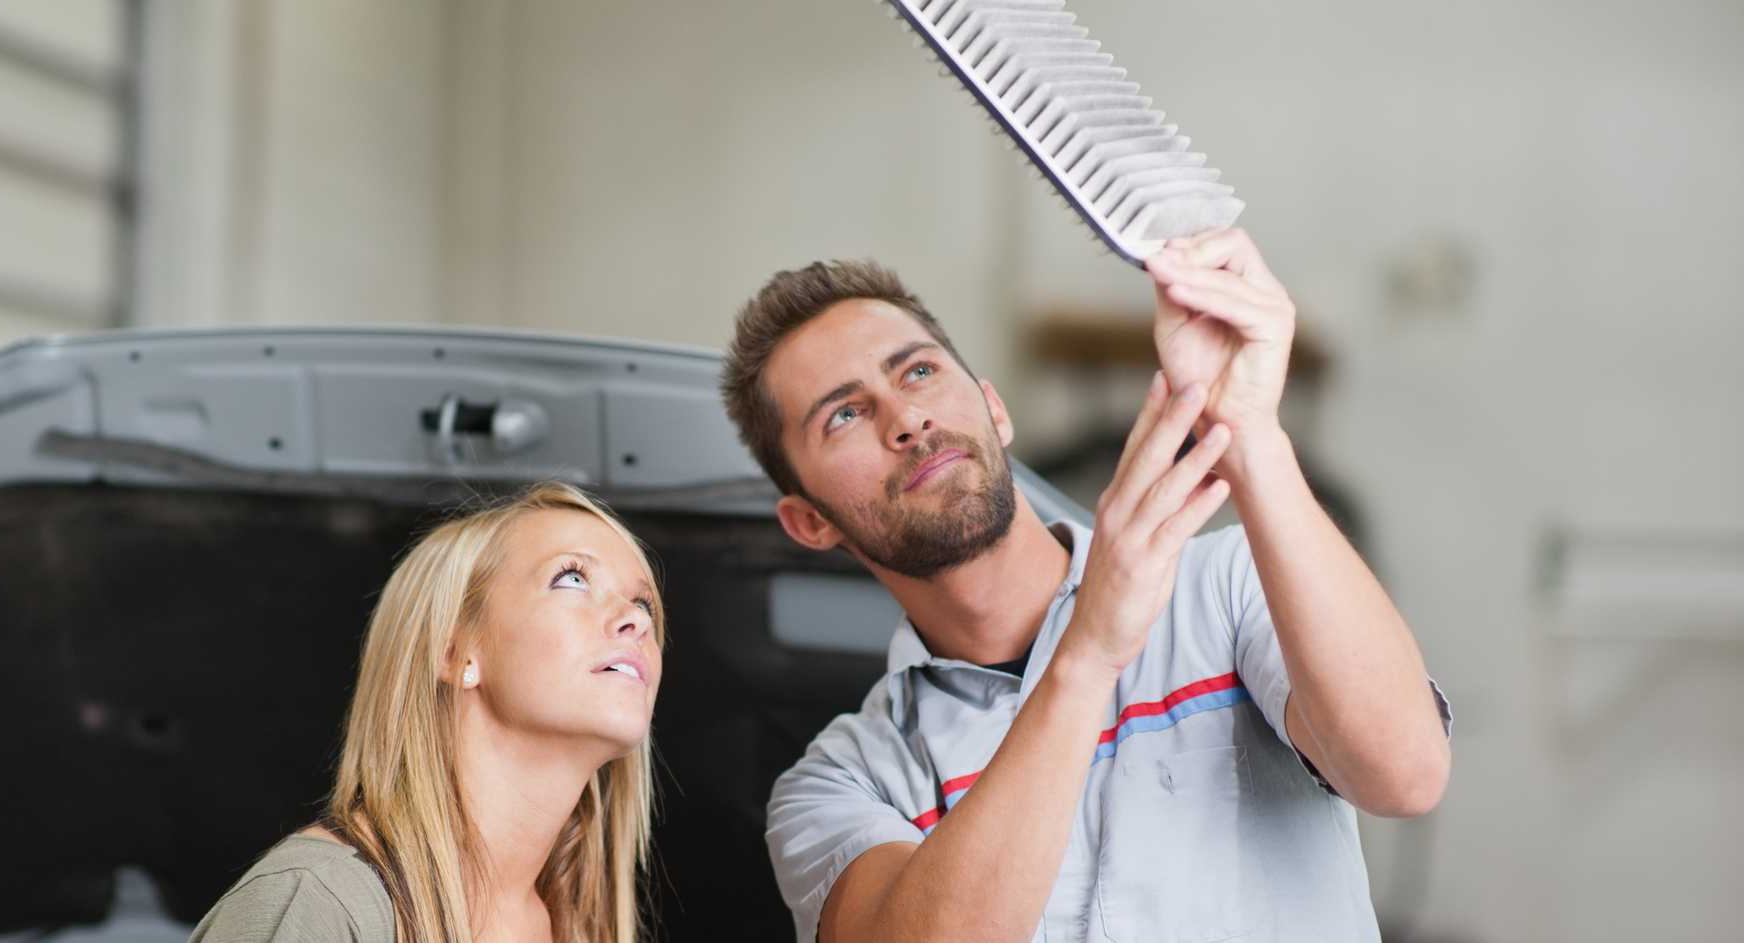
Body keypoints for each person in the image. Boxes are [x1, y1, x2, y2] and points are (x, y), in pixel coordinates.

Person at [721, 228, 1453, 943]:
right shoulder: (841, 783)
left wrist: (1252, 430)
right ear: (809, 521)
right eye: (845, 414)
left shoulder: (1227, 584)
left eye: (917, 372)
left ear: (994, 408)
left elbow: (1406, 775)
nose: (907, 418)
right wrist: (1089, 649)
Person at [189, 482, 663, 943]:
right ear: (454, 651)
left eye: (644, 603)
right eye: (573, 579)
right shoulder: (316, 902)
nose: (637, 619)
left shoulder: (574, 928)